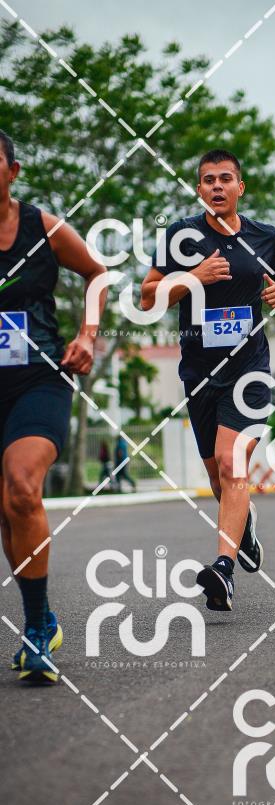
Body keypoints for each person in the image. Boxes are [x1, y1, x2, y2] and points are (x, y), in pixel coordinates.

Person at [142, 149, 275, 612]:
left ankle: (223, 571)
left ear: (239, 187)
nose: (216, 186)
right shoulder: (182, 236)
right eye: (208, 179)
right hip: (199, 372)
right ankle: (243, 526)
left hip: (249, 369)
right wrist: (194, 277)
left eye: (225, 178)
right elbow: (148, 297)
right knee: (217, 474)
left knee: (232, 464)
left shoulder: (264, 236)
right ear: (199, 189)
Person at [0, 130, 107, 682]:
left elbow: (98, 273)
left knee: (22, 485)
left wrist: (88, 333)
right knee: (7, 509)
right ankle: (40, 617)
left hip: (39, 378)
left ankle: (38, 630)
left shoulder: (42, 227)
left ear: (12, 171)